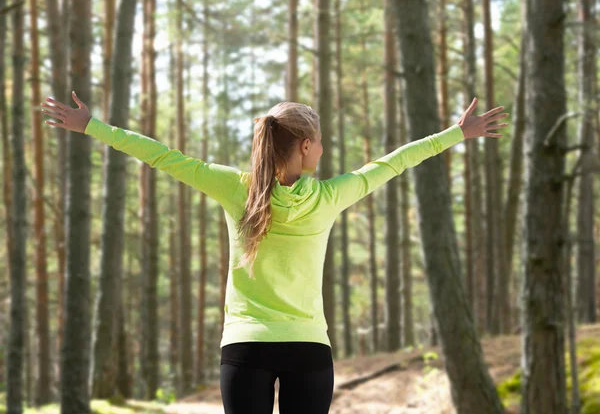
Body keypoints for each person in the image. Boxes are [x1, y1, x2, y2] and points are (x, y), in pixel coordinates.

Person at [41, 92, 508, 414]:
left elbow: (163, 156)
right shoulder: (330, 196)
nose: (322, 150)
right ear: (305, 146)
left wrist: (92, 127)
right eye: (320, 142)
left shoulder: (233, 187)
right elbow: (396, 161)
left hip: (244, 346)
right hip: (308, 347)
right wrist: (456, 133)